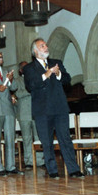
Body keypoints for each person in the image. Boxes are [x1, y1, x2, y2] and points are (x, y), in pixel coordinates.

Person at [23, 38, 83, 179]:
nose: (46, 47)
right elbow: (31, 85)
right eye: (42, 46)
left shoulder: (57, 63)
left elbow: (68, 80)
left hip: (60, 107)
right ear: (36, 51)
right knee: (47, 142)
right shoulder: (29, 68)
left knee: (65, 139)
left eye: (46, 45)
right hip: (42, 110)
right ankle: (52, 170)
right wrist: (46, 75)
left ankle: (73, 169)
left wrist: (58, 74)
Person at [13, 61, 45, 169]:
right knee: (26, 138)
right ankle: (28, 161)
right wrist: (31, 90)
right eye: (24, 67)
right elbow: (17, 94)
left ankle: (40, 160)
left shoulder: (36, 78)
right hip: (23, 113)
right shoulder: (17, 81)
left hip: (36, 112)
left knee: (38, 137)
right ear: (21, 70)